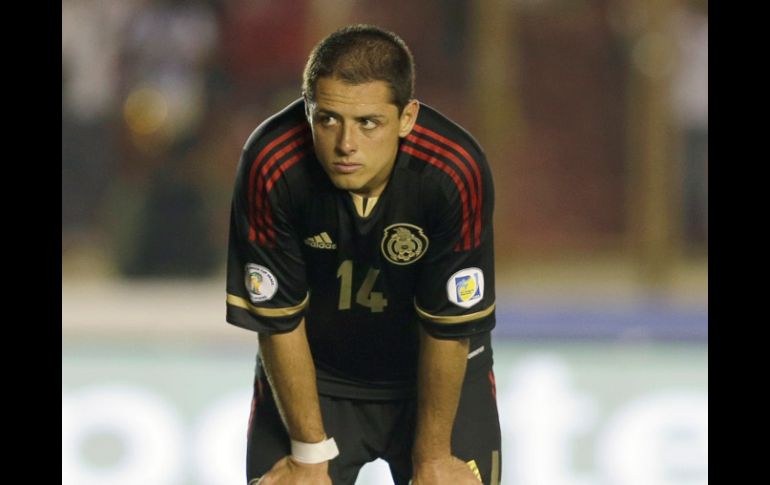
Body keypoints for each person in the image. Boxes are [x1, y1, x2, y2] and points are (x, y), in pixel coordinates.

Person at [225, 24, 500, 485]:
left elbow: (448, 325)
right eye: (328, 119)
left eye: (368, 123)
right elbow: (278, 318)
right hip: (316, 378)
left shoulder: (453, 171)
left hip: (432, 379)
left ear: (407, 117)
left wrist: (433, 457)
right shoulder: (272, 162)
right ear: (308, 108)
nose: (346, 144)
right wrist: (308, 453)